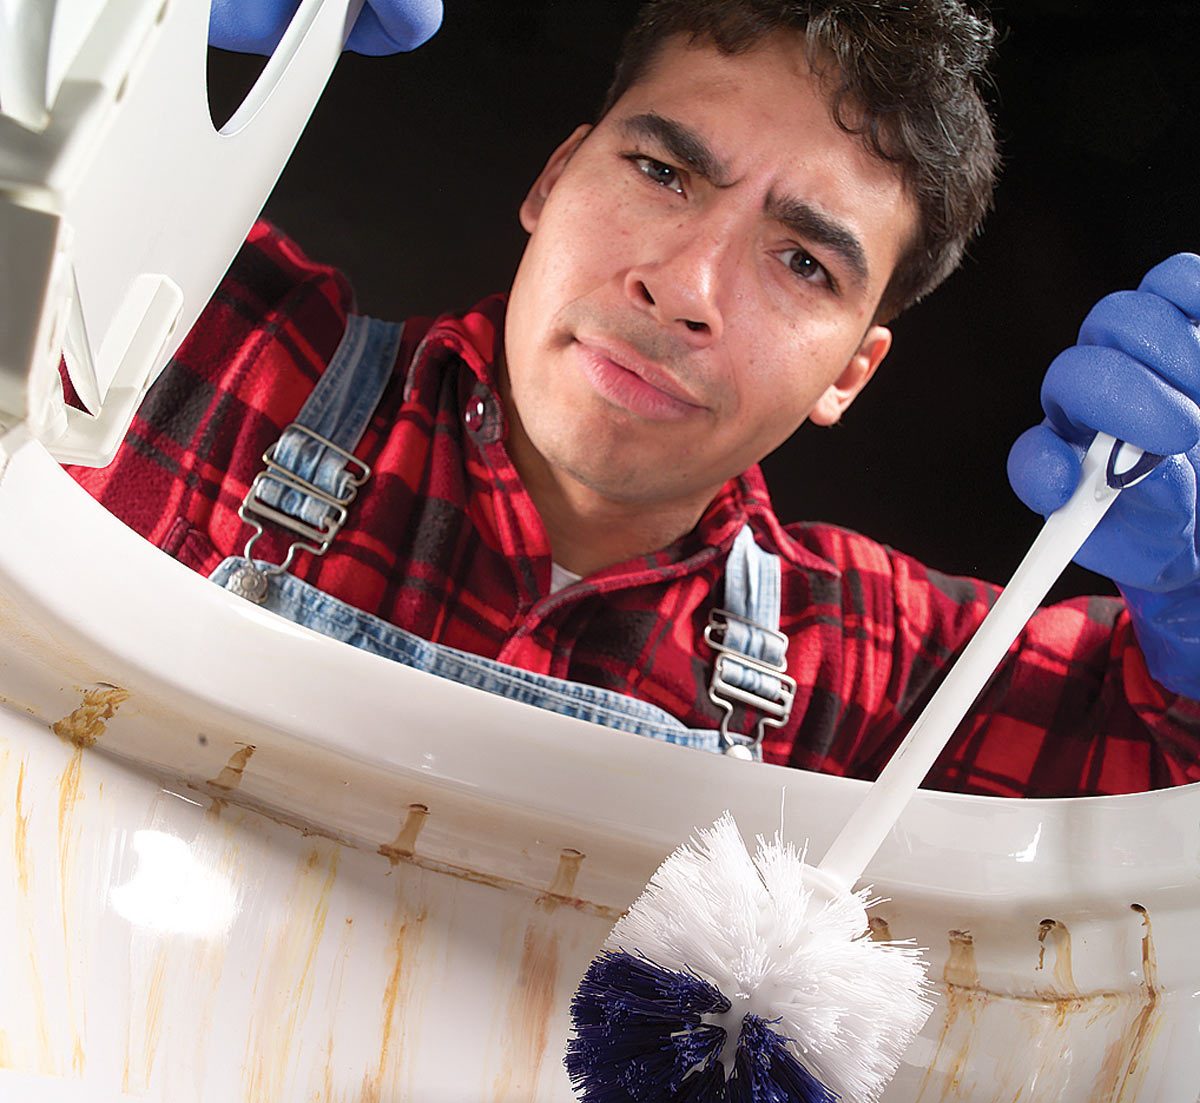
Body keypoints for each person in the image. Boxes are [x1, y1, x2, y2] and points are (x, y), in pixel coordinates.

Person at [66, 0, 1200, 795]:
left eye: (804, 262)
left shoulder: (864, 668)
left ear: (850, 373)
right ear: (552, 179)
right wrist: (62, 41)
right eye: (662, 172)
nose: (684, 287)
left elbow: (1152, 781)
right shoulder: (197, 344)